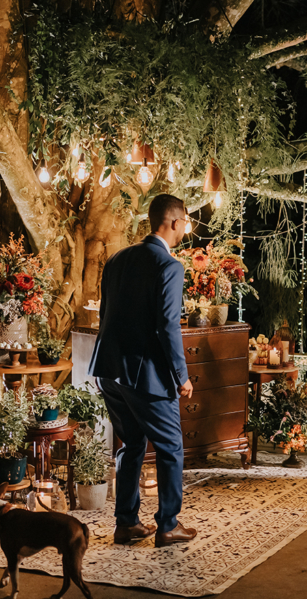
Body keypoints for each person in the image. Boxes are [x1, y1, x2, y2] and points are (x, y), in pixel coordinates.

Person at [88, 194, 198, 547]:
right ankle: (168, 525)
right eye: (184, 223)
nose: (184, 229)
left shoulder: (118, 259)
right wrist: (181, 376)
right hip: (145, 374)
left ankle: (126, 524)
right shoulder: (170, 266)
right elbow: (168, 327)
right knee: (170, 446)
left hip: (108, 369)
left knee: (131, 443)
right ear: (174, 223)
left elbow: (107, 316)